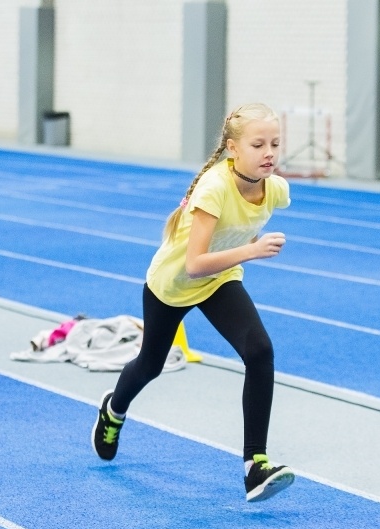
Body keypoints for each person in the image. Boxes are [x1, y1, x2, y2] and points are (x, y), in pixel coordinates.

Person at [91, 103, 295, 502]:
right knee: (150, 365)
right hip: (173, 284)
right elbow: (195, 263)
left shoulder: (277, 190)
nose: (269, 152)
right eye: (258, 144)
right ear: (234, 149)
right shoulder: (214, 188)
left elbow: (228, 246)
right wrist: (251, 252)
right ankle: (113, 409)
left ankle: (255, 465)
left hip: (219, 280)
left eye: (275, 143)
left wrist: (242, 249)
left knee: (260, 351)